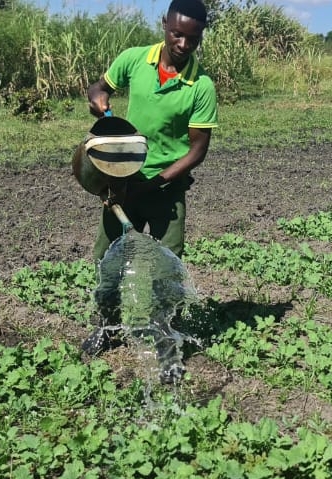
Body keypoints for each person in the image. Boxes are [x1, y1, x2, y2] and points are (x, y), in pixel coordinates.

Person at [81, 0, 218, 357]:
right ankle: (107, 327)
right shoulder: (134, 59)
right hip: (123, 182)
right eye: (177, 34)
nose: (183, 45)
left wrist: (153, 185)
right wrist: (99, 101)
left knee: (166, 267)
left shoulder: (201, 86)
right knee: (107, 258)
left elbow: (197, 151)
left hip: (166, 189)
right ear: (164, 25)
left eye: (193, 38)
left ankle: (163, 334)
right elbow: (99, 88)